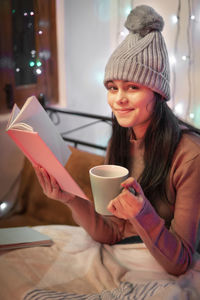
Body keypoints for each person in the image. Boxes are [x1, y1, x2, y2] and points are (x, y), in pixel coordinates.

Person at [33, 5, 200, 276]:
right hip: (122, 255)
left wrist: (142, 212)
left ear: (157, 93)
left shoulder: (190, 155)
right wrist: (70, 199)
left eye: (133, 87)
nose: (118, 99)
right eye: (113, 88)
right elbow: (111, 232)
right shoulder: (121, 140)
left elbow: (180, 262)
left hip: (164, 268)